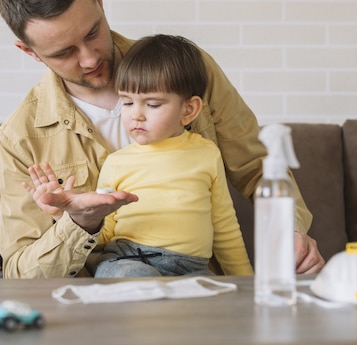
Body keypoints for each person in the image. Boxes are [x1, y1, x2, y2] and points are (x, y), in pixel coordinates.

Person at [0, 0, 324, 279]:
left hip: (199, 285)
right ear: (29, 51)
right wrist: (78, 222)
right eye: (65, 52)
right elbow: (19, 275)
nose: (90, 59)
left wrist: (290, 232)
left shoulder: (186, 70)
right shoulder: (21, 136)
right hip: (105, 304)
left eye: (93, 32)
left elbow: (257, 166)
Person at [29, 34, 253, 278]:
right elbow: (105, 234)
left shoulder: (207, 154)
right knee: (134, 277)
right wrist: (66, 213)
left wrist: (245, 282)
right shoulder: (117, 163)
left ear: (188, 110)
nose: (136, 115)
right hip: (127, 259)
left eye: (152, 105)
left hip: (191, 268)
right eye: (126, 103)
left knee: (213, 297)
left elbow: (224, 225)